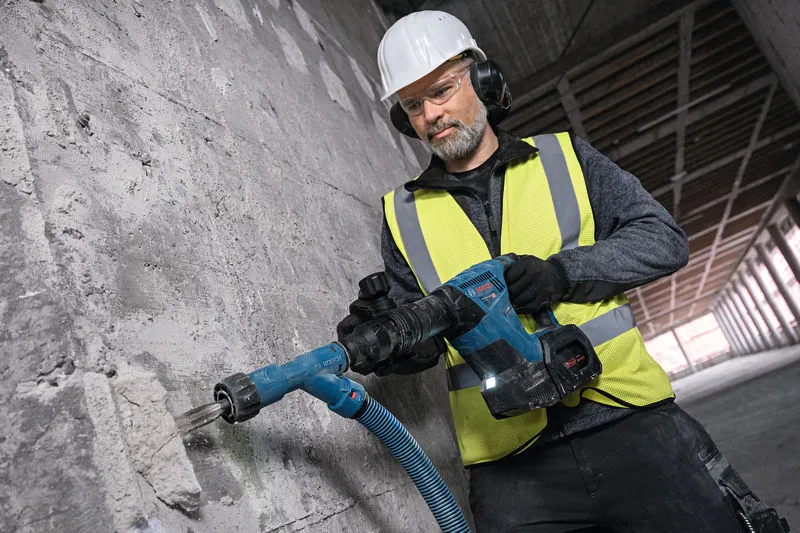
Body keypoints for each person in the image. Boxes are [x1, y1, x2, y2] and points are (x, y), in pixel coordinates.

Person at [338, 10, 789, 533]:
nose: (431, 115)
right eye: (413, 106)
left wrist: (562, 273)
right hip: (510, 462)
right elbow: (427, 342)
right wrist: (384, 342)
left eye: (441, 91)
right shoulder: (402, 214)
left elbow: (664, 241)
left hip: (627, 418)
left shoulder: (566, 158)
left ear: (484, 82)